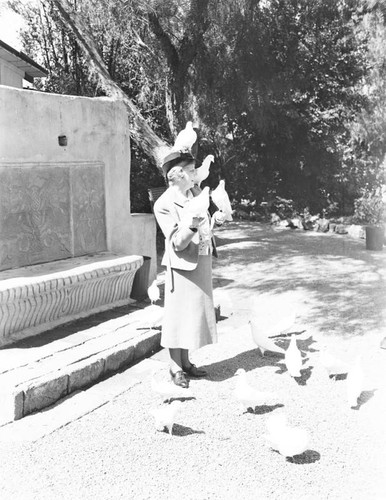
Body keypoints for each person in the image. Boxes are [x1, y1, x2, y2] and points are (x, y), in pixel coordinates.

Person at [153, 150, 225, 388]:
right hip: (182, 264)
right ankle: (175, 367)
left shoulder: (194, 192)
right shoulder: (164, 204)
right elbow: (176, 242)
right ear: (179, 173)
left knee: (191, 314)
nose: (196, 175)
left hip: (201, 258)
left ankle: (185, 362)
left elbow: (205, 222)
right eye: (192, 170)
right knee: (177, 316)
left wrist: (215, 221)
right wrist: (192, 224)